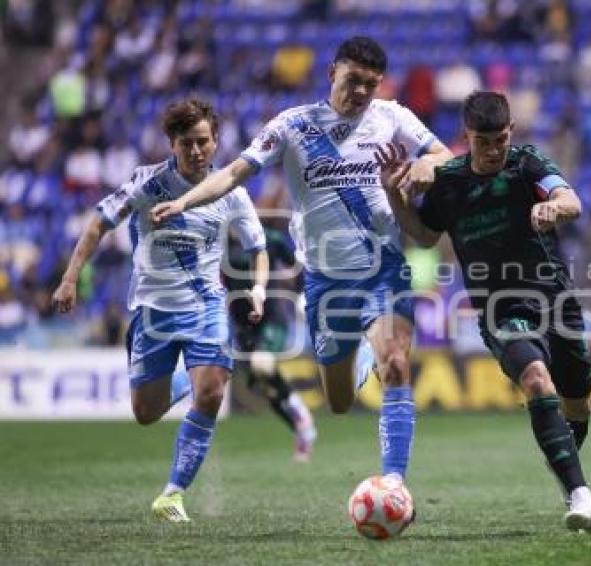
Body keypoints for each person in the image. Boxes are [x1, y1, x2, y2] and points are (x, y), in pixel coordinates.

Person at [150, 37, 452, 483]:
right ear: (332, 74)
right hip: (325, 281)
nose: (361, 91)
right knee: (339, 401)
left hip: (383, 269)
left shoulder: (393, 117)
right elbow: (233, 173)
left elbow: (445, 155)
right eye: (353, 80)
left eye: (371, 84)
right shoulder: (292, 126)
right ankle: (359, 356)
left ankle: (394, 482)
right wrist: (183, 202)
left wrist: (430, 165)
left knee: (396, 363)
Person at [374, 91, 591, 531]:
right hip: (500, 309)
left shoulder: (527, 164)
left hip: (556, 303)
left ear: (511, 132)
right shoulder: (449, 183)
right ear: (467, 137)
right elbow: (425, 236)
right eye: (484, 142)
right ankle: (581, 496)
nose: (494, 150)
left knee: (577, 404)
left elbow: (572, 202)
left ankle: (562, 462)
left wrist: (553, 206)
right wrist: (394, 195)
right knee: (536, 380)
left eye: (501, 140)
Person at [52, 98, 269, 522]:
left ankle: (172, 494)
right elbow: (98, 224)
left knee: (212, 392)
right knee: (146, 413)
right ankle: (183, 381)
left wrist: (259, 290)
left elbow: (258, 248)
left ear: (216, 140)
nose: (196, 151)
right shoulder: (146, 183)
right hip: (153, 310)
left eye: (203, 141)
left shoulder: (231, 192)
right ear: (172, 143)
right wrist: (70, 277)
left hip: (206, 305)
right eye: (187, 143)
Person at [224, 223, 317, 462]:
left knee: (262, 364)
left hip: (271, 316)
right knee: (266, 388)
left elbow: (296, 267)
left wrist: (301, 296)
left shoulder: (270, 238)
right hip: (243, 326)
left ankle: (303, 417)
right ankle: (302, 430)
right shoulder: (218, 242)